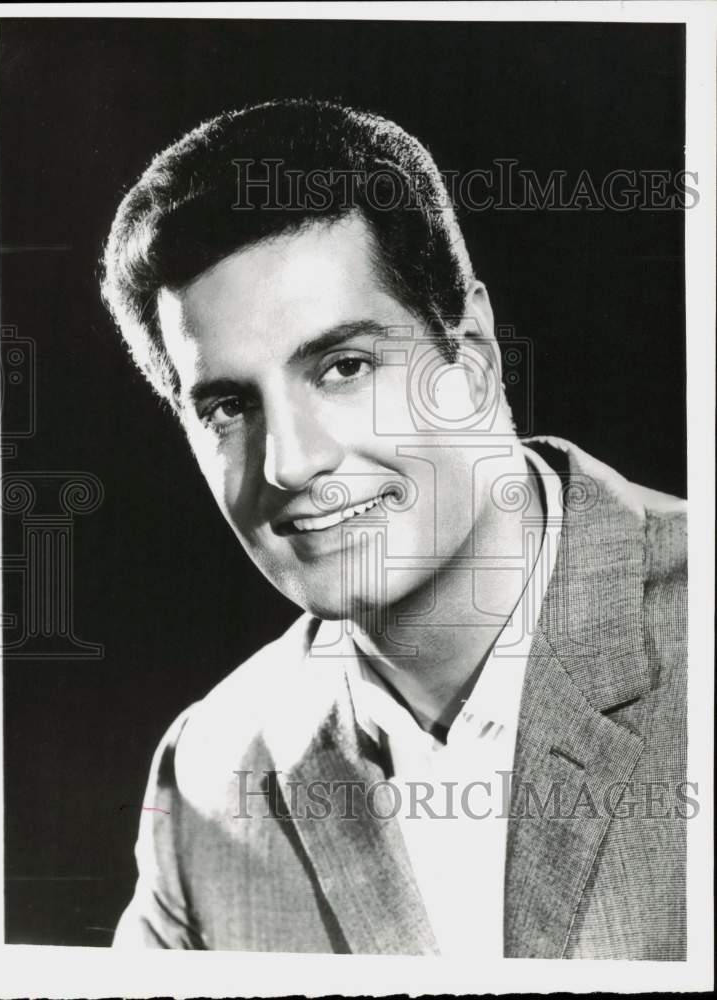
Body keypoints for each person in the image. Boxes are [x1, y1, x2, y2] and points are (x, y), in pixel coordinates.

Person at [101, 99, 688, 959]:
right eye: (229, 407)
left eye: (343, 367)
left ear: (475, 358)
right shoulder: (208, 782)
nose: (289, 464)